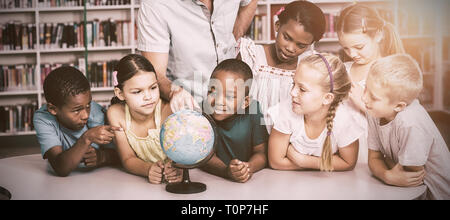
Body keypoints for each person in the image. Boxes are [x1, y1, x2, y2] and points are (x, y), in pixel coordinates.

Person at [137, 0, 259, 113]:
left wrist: (236, 34)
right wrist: (174, 91)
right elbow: (155, 74)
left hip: (234, 104)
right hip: (189, 109)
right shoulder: (155, 5)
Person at [363, 54, 450, 200]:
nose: (364, 98)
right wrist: (387, 175)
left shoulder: (410, 122)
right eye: (365, 88)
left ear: (399, 106)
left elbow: (411, 178)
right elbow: (373, 159)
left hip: (434, 195)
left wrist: (384, 167)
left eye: (373, 96)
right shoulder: (373, 111)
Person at [238, 0, 326, 131]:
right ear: (277, 25)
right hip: (250, 140)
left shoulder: (311, 66)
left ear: (311, 43)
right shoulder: (250, 56)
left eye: (301, 45)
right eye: (287, 38)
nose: (291, 48)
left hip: (290, 142)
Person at [268, 53, 364, 172]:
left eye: (302, 89)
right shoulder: (287, 110)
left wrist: (302, 160)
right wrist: (326, 163)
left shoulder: (343, 119)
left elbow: (348, 163)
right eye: (293, 84)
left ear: (327, 98)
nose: (292, 92)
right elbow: (276, 162)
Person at [336, 3, 405, 162]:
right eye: (345, 48)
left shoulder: (393, 72)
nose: (352, 54)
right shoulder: (342, 70)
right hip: (344, 155)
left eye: (359, 46)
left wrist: (364, 105)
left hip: (376, 156)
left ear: (378, 35)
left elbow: (403, 122)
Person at [107, 54, 182, 184]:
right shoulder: (115, 114)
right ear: (120, 94)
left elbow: (184, 152)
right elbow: (127, 158)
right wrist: (148, 169)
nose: (148, 97)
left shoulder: (169, 111)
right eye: (137, 92)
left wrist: (178, 169)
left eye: (153, 88)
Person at [33, 66, 120, 177]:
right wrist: (86, 138)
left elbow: (125, 155)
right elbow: (60, 167)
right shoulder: (43, 118)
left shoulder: (97, 113)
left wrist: (102, 157)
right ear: (53, 109)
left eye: (88, 105)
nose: (85, 115)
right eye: (77, 110)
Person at [200, 59, 268, 183]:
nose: (219, 101)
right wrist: (226, 171)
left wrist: (248, 168)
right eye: (212, 92)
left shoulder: (253, 110)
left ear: (245, 102)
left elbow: (261, 153)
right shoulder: (203, 112)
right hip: (212, 181)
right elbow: (205, 157)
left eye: (230, 96)